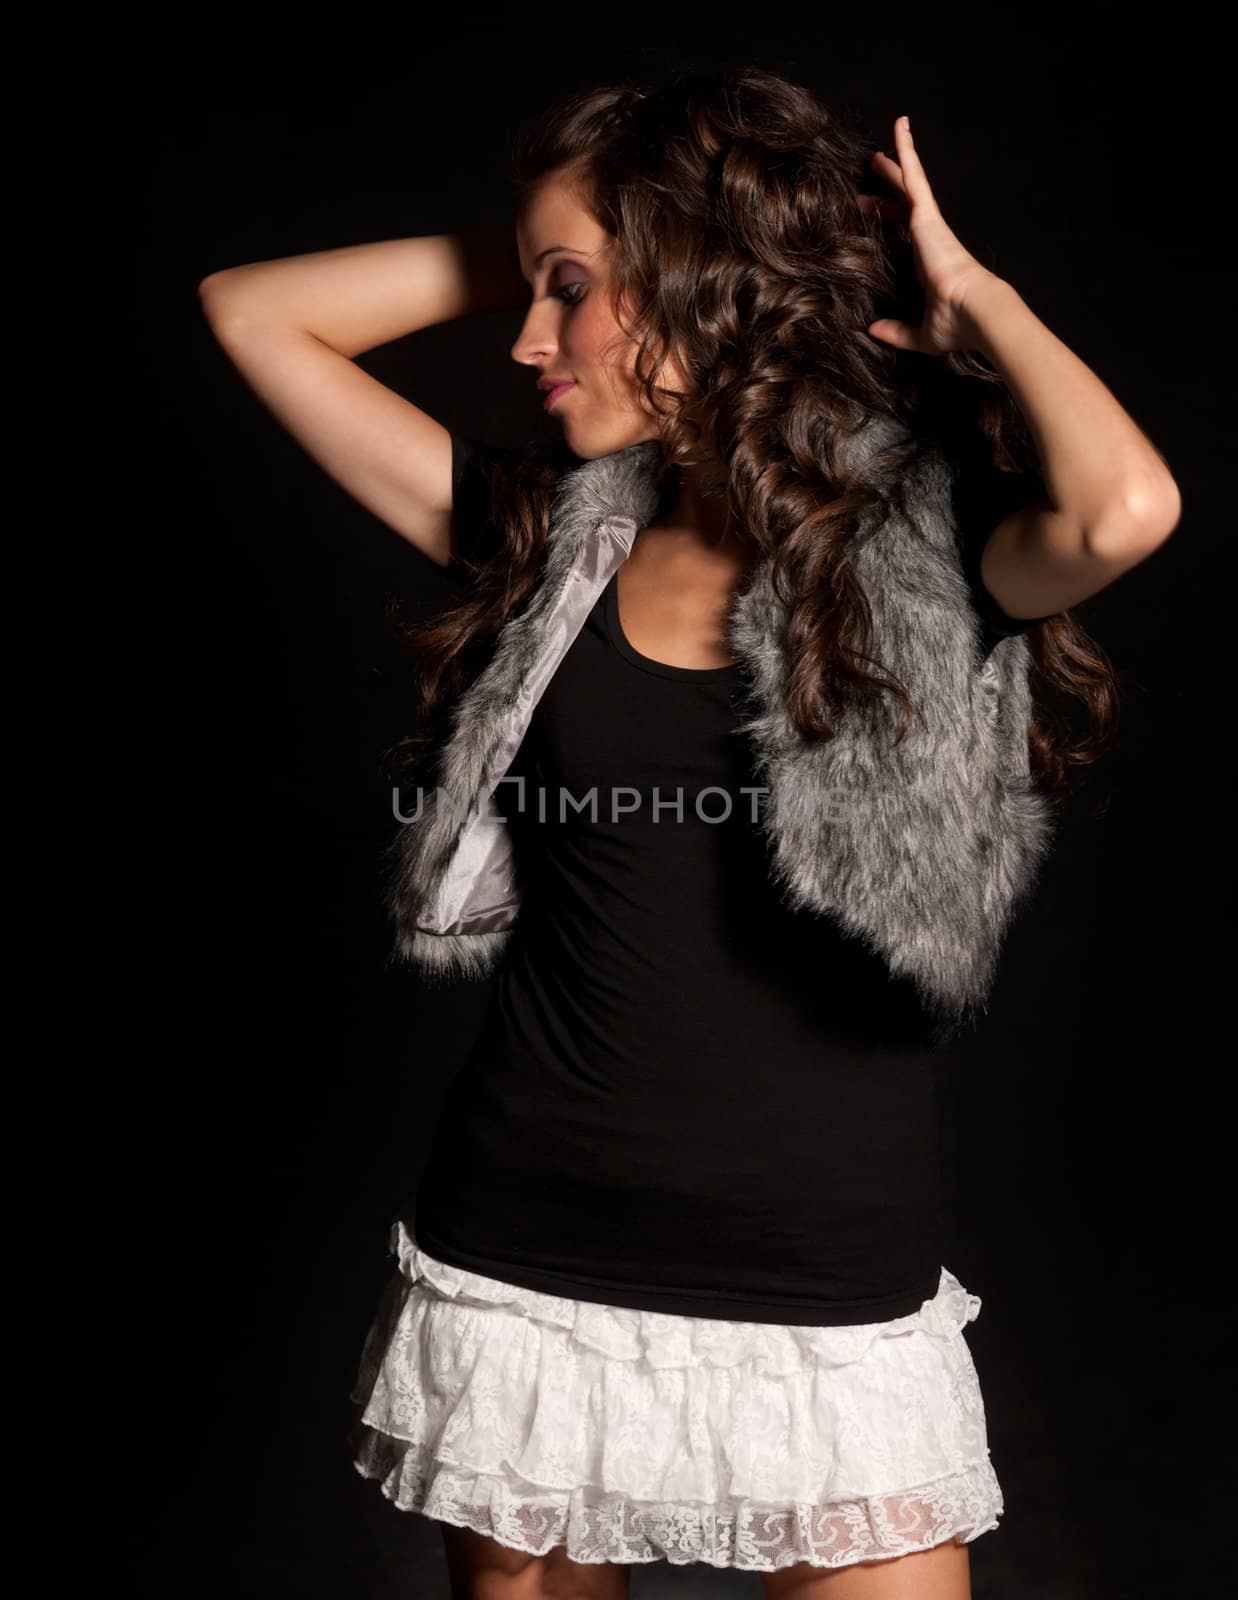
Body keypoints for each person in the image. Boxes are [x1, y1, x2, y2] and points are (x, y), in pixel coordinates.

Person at [200, 66, 1180, 1600]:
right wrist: (546, 243)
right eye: (535, 294)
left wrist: (971, 293)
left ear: (701, 279)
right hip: (533, 1255)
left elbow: (1123, 509)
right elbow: (250, 311)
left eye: (570, 295)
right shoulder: (547, 542)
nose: (527, 339)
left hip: (823, 1277)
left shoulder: (925, 551)